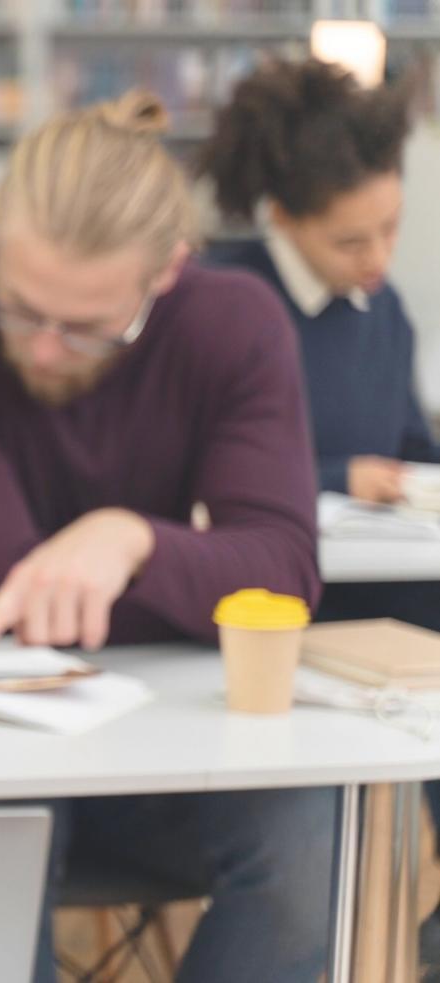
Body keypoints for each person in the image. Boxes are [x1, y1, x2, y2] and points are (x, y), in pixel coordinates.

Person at [0, 91, 335, 982]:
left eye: (85, 328)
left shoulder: (233, 323)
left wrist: (132, 542)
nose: (41, 349)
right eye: (17, 304)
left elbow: (284, 575)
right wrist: (198, 578)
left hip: (177, 735)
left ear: (166, 274)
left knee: (311, 834)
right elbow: (6, 595)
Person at [200, 57, 440, 630]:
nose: (380, 259)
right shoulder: (224, 305)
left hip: (390, 600)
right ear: (283, 217)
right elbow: (195, 479)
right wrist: (336, 477)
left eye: (391, 227)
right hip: (274, 609)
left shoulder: (382, 310)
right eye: (350, 242)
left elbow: (411, 450)